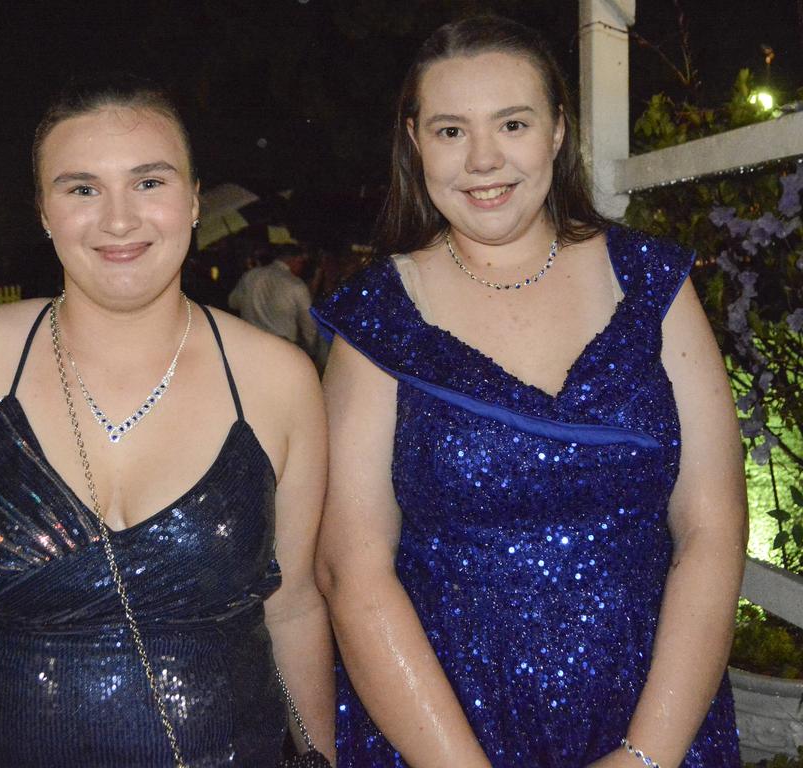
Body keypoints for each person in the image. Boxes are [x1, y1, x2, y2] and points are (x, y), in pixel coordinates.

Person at [312, 15, 745, 768]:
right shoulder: (377, 319)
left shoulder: (651, 283)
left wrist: (648, 754)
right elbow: (351, 568)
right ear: (415, 145)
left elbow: (712, 529)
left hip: (654, 711)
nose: (483, 159)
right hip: (440, 725)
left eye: (512, 123)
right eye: (450, 131)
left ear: (556, 132)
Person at [0, 76, 334, 767]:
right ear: (43, 211)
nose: (119, 220)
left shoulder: (278, 381)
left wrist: (319, 757)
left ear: (192, 201)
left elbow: (295, 605)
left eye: (149, 182)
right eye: (82, 188)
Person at [228, 245, 321, 361]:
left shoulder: (250, 275)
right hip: (281, 349)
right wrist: (312, 350)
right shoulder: (295, 284)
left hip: (250, 344)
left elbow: (233, 303)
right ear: (296, 260)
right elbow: (308, 323)